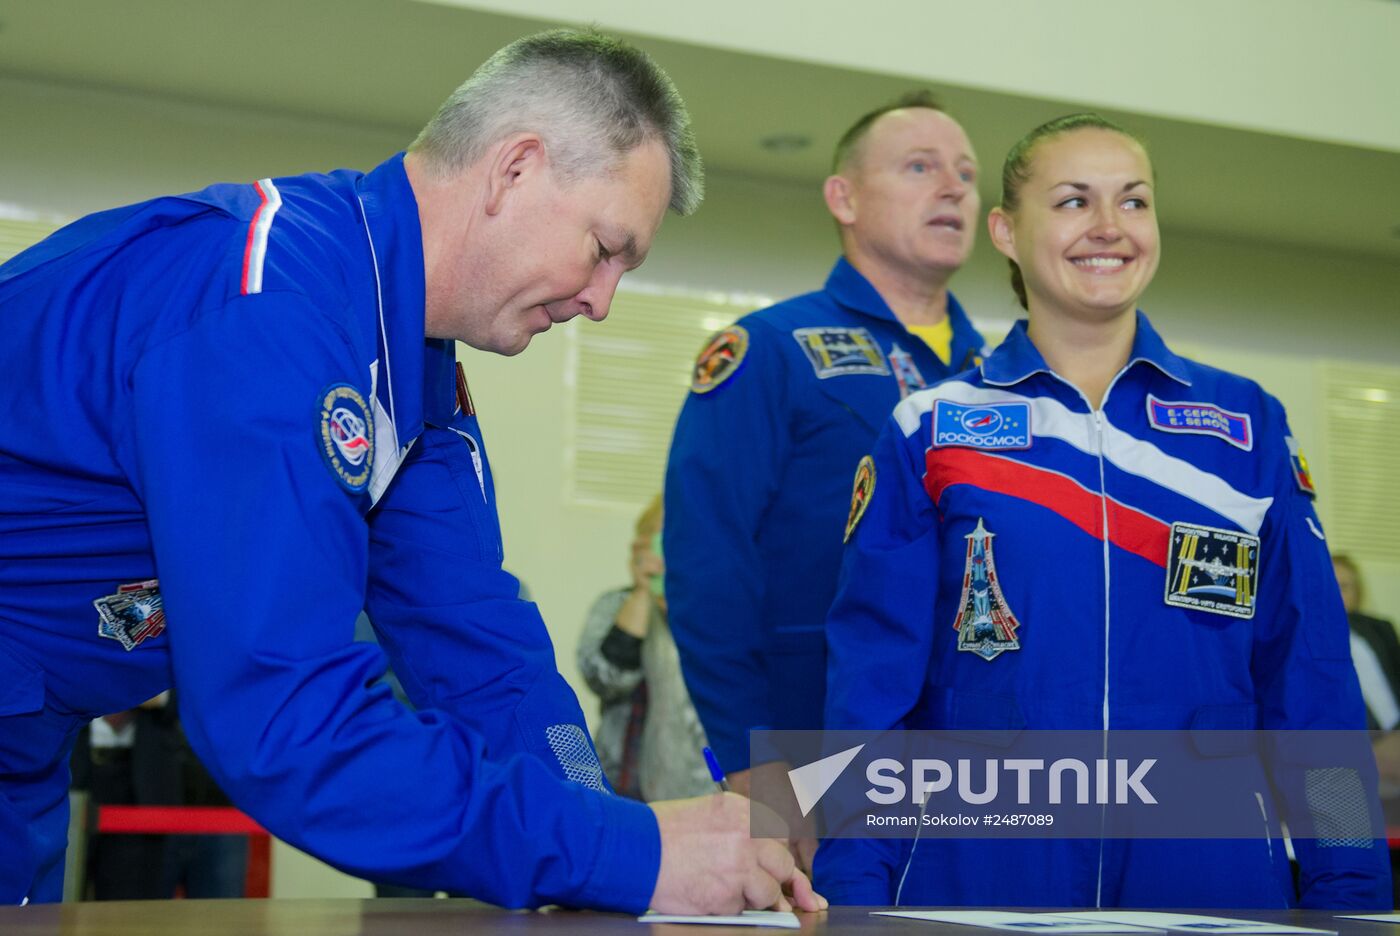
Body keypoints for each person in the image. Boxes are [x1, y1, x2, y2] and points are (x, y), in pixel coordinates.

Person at [0, 29, 821, 915]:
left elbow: (476, 641)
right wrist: (622, 851)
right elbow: (287, 721)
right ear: (515, 170)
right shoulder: (272, 316)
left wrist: (609, 833)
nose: (603, 301)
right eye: (604, 248)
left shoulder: (407, 364)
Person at [817, 113, 1390, 908]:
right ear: (1006, 231)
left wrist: (1353, 882)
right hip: (981, 870)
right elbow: (867, 695)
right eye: (1073, 202)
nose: (1110, 228)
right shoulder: (931, 429)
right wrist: (850, 887)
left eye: (1134, 201)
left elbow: (1313, 682)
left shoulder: (1247, 425)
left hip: (1210, 875)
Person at [664, 92, 987, 819]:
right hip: (816, 750)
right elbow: (707, 562)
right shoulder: (771, 351)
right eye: (919, 167)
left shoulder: (998, 381)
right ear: (843, 197)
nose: (952, 188)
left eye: (966, 174)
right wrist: (752, 763)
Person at [577, 496, 713, 802]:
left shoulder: (720, 616)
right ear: (640, 549)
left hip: (707, 794)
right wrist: (644, 590)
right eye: (665, 538)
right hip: (624, 789)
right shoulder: (615, 605)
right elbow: (606, 678)